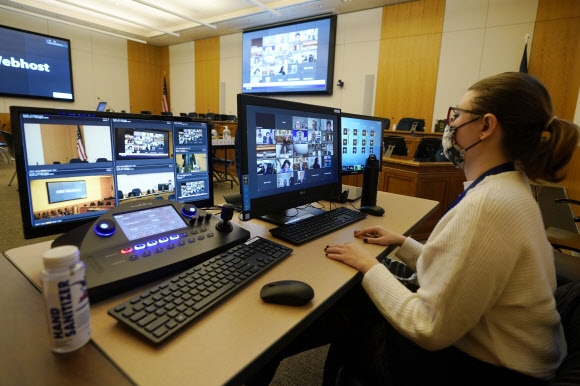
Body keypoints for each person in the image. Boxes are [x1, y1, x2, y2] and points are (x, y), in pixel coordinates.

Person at [247, 72, 579, 386]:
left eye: (456, 115)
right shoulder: (510, 189)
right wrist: (404, 244)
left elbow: (428, 328)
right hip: (514, 354)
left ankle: (255, 358)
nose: (450, 127)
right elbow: (462, 271)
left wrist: (369, 265)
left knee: (353, 302)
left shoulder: (488, 205)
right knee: (361, 293)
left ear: (486, 126)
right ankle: (259, 359)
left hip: (489, 372)